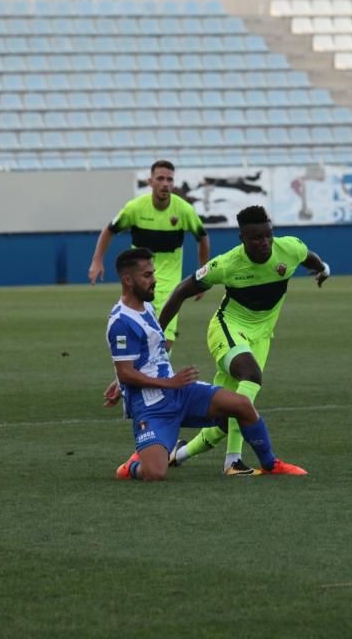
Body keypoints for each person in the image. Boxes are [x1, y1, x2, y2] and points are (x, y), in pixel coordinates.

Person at [157, 205, 330, 475]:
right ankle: (250, 462)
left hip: (261, 336)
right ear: (242, 239)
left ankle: (179, 454)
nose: (264, 243)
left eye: (268, 235)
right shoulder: (226, 264)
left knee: (230, 412)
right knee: (250, 378)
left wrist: (323, 270)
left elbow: (310, 258)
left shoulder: (289, 249)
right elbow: (181, 291)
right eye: (256, 238)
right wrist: (157, 337)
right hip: (228, 328)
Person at [105, 247, 306, 480]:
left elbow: (146, 356)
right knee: (155, 473)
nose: (155, 280)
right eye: (147, 276)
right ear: (127, 280)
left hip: (180, 393)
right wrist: (151, 381)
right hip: (152, 407)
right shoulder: (120, 321)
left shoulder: (147, 307)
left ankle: (271, 464)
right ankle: (132, 465)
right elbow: (127, 372)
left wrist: (122, 380)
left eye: (153, 273)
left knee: (241, 405)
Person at [89, 159, 209, 351]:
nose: (165, 183)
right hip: (138, 283)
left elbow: (202, 238)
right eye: (160, 178)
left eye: (169, 179)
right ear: (150, 181)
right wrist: (97, 260)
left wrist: (203, 275)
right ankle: (138, 376)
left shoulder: (184, 210)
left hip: (170, 286)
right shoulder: (135, 208)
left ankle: (146, 376)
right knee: (137, 336)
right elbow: (109, 230)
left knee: (164, 341)